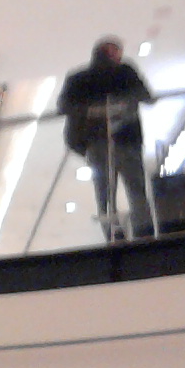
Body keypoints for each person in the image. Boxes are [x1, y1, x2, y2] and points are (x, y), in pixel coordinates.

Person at [57, 37, 156, 240]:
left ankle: (116, 234)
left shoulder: (80, 78)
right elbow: (146, 96)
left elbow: (65, 106)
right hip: (119, 140)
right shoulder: (123, 73)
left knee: (107, 192)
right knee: (131, 189)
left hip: (103, 142)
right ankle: (142, 232)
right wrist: (113, 107)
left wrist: (94, 110)